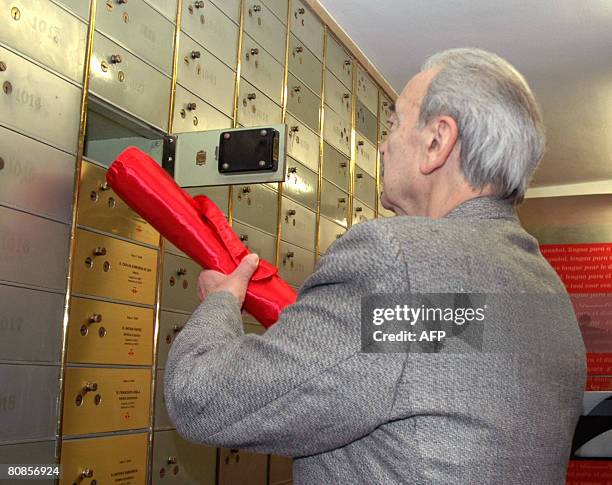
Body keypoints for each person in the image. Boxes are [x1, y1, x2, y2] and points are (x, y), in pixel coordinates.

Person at [164, 48, 586, 484]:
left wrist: (220, 304)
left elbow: (205, 400)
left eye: (394, 125)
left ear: (437, 142)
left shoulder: (401, 262)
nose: (382, 145)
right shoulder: (546, 291)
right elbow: (419, 355)